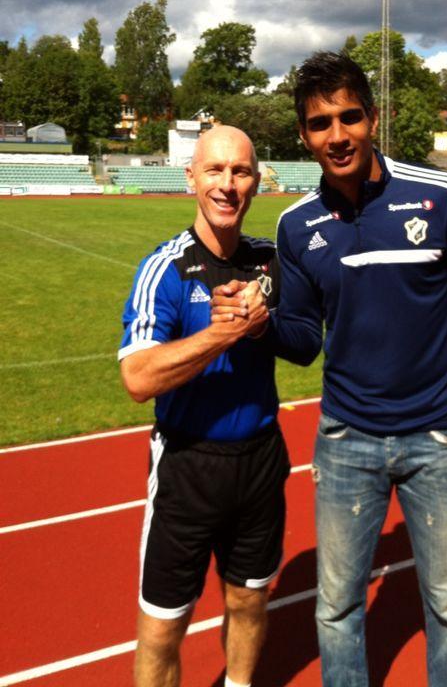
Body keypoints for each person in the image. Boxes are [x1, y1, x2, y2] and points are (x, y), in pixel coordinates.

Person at [213, 52, 447, 686]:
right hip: (346, 443)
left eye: (350, 117)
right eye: (321, 124)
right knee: (338, 609)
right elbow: (302, 341)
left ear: (374, 118)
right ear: (303, 135)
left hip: (440, 441)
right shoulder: (297, 226)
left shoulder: (444, 196)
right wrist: (257, 323)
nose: (338, 135)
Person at [119, 126, 288, 687]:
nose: (227, 184)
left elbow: (310, 334)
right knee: (163, 629)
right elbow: (138, 378)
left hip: (261, 462)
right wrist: (222, 334)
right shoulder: (162, 269)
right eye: (215, 170)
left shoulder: (271, 263)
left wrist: (266, 316)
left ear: (256, 182)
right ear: (190, 177)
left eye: (240, 172)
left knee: (248, 601)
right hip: (187, 468)